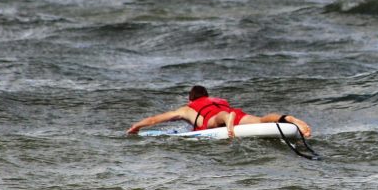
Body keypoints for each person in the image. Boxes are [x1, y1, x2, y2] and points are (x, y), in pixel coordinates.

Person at [126, 85, 312, 139]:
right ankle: (286, 118)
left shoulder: (188, 108)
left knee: (215, 120)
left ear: (191, 100)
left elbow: (154, 119)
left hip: (217, 119)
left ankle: (226, 118)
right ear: (208, 96)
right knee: (262, 120)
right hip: (234, 114)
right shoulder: (218, 101)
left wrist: (136, 126)